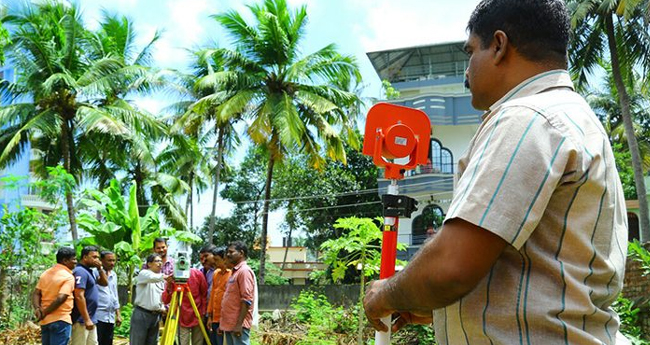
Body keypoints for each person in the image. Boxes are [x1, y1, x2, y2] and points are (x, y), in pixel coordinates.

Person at [362, 1, 630, 344]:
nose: (466, 72)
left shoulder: (526, 118)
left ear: (499, 46)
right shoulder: (577, 120)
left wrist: (386, 293)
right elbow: (543, 271)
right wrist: (440, 308)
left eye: (471, 51)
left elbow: (452, 268)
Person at [32, 247, 77, 345]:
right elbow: (61, 298)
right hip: (61, 320)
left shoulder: (46, 273)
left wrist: (38, 309)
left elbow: (36, 293)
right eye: (73, 259)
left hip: (45, 321)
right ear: (65, 260)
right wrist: (44, 312)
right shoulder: (68, 277)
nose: (75, 262)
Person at [219, 241, 256, 345]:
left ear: (241, 253)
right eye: (227, 252)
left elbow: (247, 299)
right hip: (229, 324)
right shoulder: (234, 272)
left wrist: (239, 324)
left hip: (238, 325)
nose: (228, 255)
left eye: (231, 252)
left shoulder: (244, 271)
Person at [130, 253, 171, 345]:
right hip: (142, 314)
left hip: (156, 316)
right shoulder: (144, 273)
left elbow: (160, 297)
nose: (160, 263)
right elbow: (152, 278)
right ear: (149, 264)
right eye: (157, 261)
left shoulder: (161, 279)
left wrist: (163, 308)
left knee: (153, 342)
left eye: (161, 261)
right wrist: (166, 277)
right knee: (138, 342)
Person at [71, 246, 108, 345]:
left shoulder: (90, 271)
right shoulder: (80, 271)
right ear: (85, 257)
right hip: (81, 319)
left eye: (98, 257)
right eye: (94, 257)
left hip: (91, 318)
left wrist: (100, 268)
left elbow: (104, 283)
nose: (97, 260)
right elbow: (79, 295)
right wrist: (86, 319)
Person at [162, 266, 208, 345]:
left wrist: (203, 312)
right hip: (181, 316)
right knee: (183, 342)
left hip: (198, 314)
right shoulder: (173, 277)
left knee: (198, 342)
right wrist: (169, 285)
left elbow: (204, 294)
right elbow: (165, 300)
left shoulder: (197, 274)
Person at [206, 247, 232, 345]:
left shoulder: (231, 274)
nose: (214, 263)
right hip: (214, 319)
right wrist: (209, 317)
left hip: (225, 319)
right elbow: (212, 296)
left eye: (217, 260)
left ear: (224, 259)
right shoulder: (216, 274)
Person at [95, 251, 121, 345]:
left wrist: (118, 314)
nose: (112, 263)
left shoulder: (113, 275)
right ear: (101, 260)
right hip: (98, 315)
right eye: (109, 260)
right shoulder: (94, 273)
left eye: (114, 260)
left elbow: (114, 294)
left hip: (110, 316)